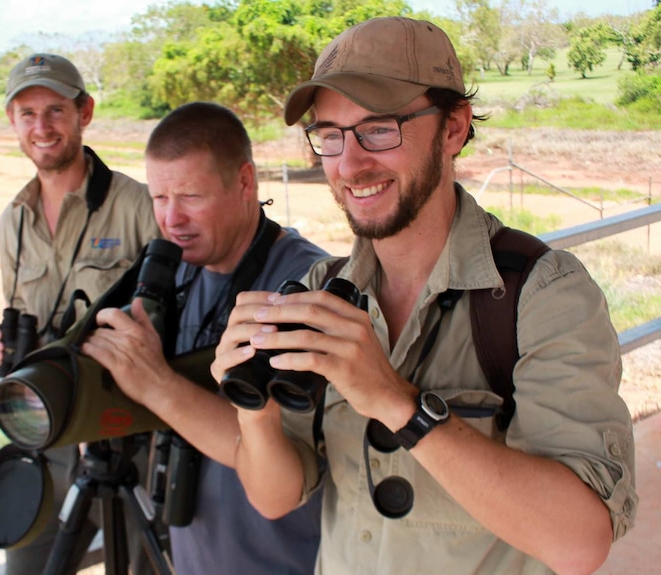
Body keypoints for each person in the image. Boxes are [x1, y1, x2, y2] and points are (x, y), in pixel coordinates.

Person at [211, 16, 639, 575]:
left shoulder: (541, 295)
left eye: (380, 128)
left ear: (454, 127)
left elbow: (580, 544)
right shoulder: (324, 292)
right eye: (331, 136)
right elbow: (276, 496)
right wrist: (256, 412)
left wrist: (396, 401)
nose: (350, 164)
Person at [80, 101, 327, 575]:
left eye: (190, 196)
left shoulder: (303, 285)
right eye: (159, 198)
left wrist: (155, 383)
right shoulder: (178, 276)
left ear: (244, 182)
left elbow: (274, 445)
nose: (171, 220)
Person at [0, 53, 161, 575]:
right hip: (43, 429)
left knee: (140, 564)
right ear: (12, 121)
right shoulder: (13, 221)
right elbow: (21, 314)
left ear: (85, 111)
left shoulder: (138, 206)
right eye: (28, 113)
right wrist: (2, 345)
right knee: (30, 566)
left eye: (56, 110)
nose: (42, 127)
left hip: (126, 433)